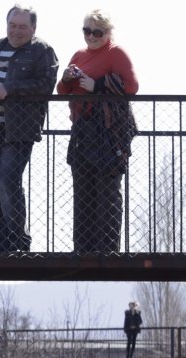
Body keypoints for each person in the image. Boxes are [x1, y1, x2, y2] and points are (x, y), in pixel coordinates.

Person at [0, 4, 58, 253]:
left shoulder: (42, 51)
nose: (16, 31)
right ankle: (1, 246)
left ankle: (19, 243)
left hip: (18, 129)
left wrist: (10, 87)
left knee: (8, 181)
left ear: (33, 28)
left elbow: (46, 84)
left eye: (22, 27)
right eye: (12, 25)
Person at [57, 10, 139, 254]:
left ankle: (107, 249)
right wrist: (66, 77)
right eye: (86, 31)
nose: (91, 36)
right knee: (82, 190)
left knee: (107, 191)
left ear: (108, 33)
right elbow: (63, 91)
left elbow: (132, 86)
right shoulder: (79, 55)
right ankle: (83, 249)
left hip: (108, 131)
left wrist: (98, 85)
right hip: (83, 129)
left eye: (97, 32)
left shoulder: (116, 53)